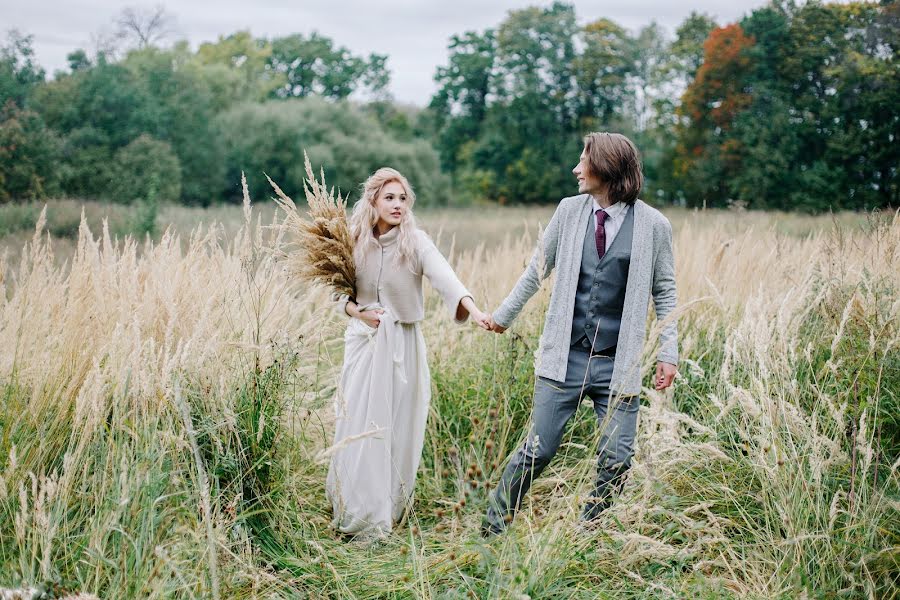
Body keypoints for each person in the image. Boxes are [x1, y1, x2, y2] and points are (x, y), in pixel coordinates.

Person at [481, 132, 679, 536]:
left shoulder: (655, 225)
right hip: (564, 358)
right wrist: (503, 317)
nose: (575, 169)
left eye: (583, 160)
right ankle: (492, 527)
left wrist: (668, 352)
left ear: (607, 168)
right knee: (538, 450)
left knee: (618, 457)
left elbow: (665, 291)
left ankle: (588, 531)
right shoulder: (569, 212)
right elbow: (537, 270)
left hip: (617, 363)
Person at [326, 167, 490, 540]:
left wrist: (474, 309)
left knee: (398, 424)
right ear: (373, 201)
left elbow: (445, 278)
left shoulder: (416, 242)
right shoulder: (353, 240)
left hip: (403, 344)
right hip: (364, 344)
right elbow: (336, 291)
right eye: (390, 197)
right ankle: (357, 508)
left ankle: (388, 506)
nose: (398, 204)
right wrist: (358, 312)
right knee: (359, 425)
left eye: (403, 198)